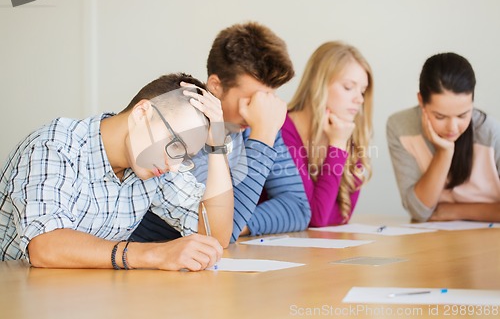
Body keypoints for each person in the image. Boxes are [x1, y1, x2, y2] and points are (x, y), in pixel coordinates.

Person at [0, 72, 234, 271]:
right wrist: (154, 255)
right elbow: (44, 247)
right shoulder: (55, 145)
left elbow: (214, 237)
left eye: (184, 157)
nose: (173, 165)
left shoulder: (157, 165)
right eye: (175, 145)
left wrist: (217, 146)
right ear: (142, 113)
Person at [131, 22, 311, 243]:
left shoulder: (256, 124)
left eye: (267, 98)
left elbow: (299, 209)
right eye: (251, 99)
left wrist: (239, 224)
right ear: (215, 85)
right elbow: (217, 230)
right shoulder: (185, 130)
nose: (260, 109)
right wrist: (263, 135)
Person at [387, 52, 500, 222]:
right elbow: (419, 211)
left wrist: (455, 212)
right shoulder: (401, 127)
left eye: (463, 115)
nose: (452, 128)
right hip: (434, 239)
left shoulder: (490, 132)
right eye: (440, 116)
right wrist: (444, 152)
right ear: (421, 100)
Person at [283, 41, 373, 227]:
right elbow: (316, 218)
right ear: (319, 84)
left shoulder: (348, 131)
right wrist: (338, 146)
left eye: (363, 91)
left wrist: (339, 141)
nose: (359, 99)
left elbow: (341, 216)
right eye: (348, 87)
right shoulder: (283, 129)